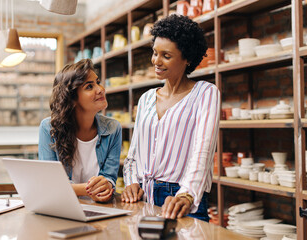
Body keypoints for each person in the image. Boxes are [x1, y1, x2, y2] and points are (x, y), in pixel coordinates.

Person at [121, 14, 220, 222]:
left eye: (166, 56)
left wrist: (187, 194)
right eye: (155, 53)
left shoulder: (205, 93)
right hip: (143, 197)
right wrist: (131, 183)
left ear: (188, 59)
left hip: (181, 198)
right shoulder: (147, 98)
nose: (156, 61)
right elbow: (133, 154)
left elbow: (203, 150)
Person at [39, 59, 122, 202]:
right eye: (89, 87)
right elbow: (50, 183)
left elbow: (109, 178)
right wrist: (90, 190)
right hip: (63, 208)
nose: (100, 89)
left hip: (101, 210)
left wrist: (106, 186)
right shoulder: (49, 128)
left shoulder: (113, 128)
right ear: (71, 98)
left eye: (97, 82)